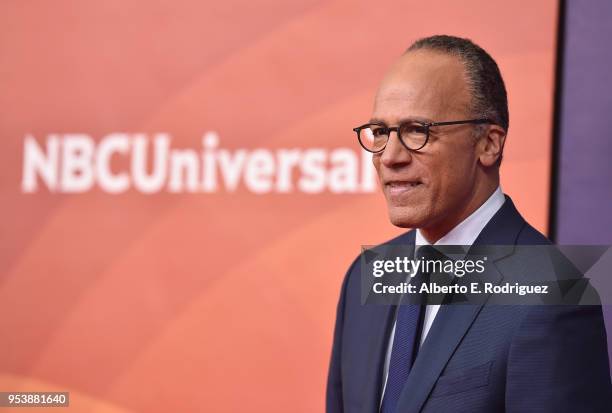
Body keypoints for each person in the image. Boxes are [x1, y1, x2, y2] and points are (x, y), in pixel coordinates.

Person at [326, 35, 612, 412]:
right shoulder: (366, 275)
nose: (390, 157)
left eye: (417, 131)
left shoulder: (552, 293)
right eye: (381, 132)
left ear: (489, 144)